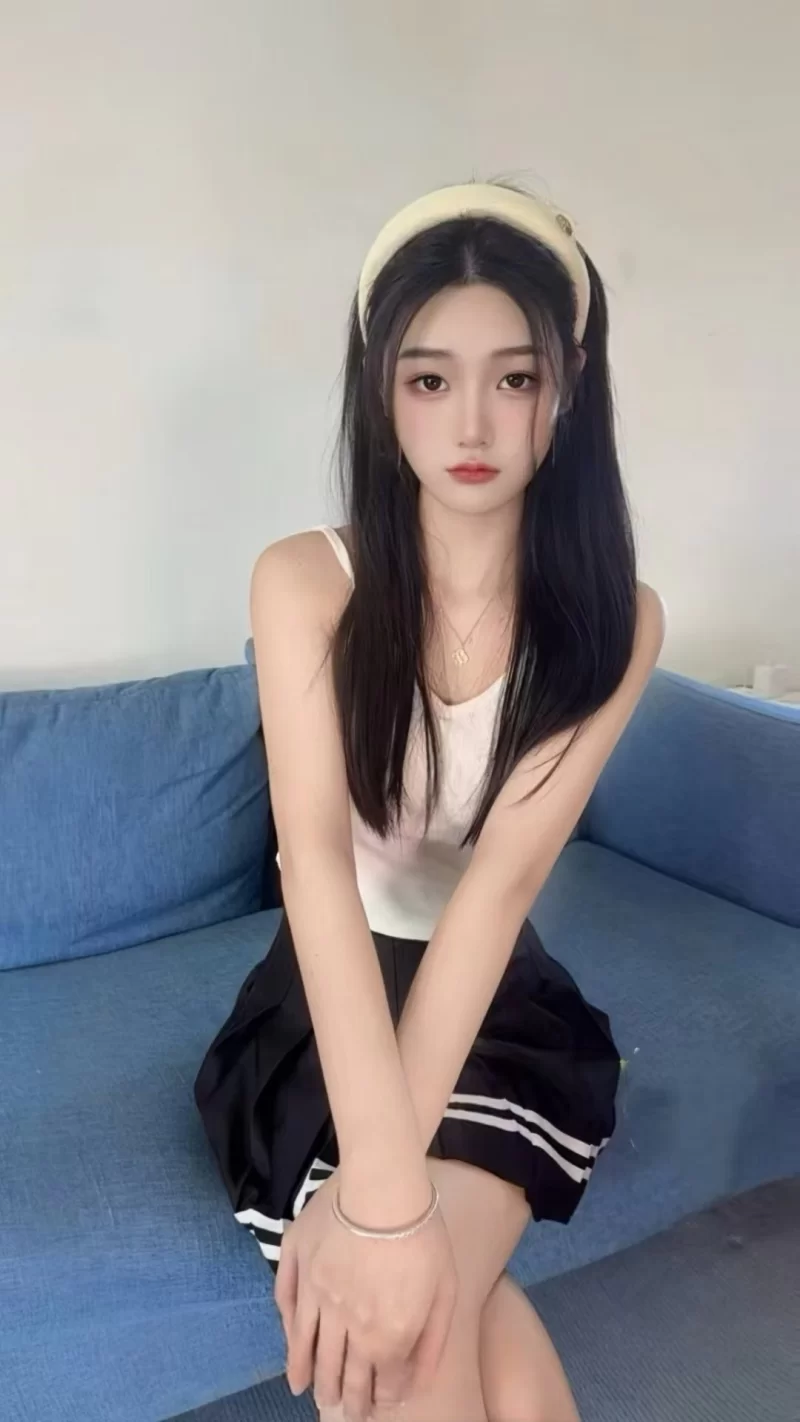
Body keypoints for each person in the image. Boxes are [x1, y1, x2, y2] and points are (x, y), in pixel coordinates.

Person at [195, 180, 666, 1422]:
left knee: (409, 1326)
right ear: (379, 390)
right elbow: (311, 863)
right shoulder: (306, 582)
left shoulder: (614, 620)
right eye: (427, 378)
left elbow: (497, 889)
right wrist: (383, 1197)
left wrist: (384, 1212)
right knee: (424, 1314)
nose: (470, 422)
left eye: (513, 379)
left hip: (492, 1001)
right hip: (327, 1000)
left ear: (568, 389)